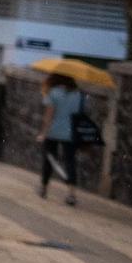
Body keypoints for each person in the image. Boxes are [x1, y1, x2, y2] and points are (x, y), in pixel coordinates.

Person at [39, 72, 82, 204]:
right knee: (70, 162)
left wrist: (43, 133)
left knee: (50, 160)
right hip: (71, 133)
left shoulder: (53, 93)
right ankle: (71, 193)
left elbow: (49, 116)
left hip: (53, 132)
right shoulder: (77, 94)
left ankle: (44, 188)